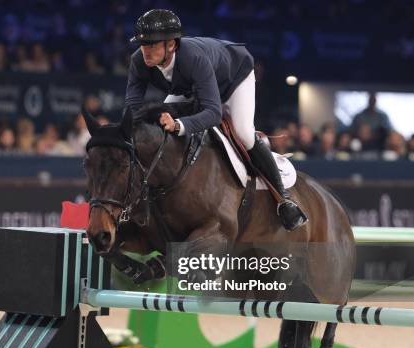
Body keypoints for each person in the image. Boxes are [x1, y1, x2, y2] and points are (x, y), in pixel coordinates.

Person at [125, 9, 307, 231]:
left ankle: (284, 199)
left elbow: (212, 113)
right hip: (192, 86)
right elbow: (132, 109)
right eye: (143, 44)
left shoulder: (194, 59)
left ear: (171, 45)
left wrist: (180, 125)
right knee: (159, 126)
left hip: (233, 79)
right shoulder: (139, 61)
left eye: (152, 44)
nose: (145, 51)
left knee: (243, 133)